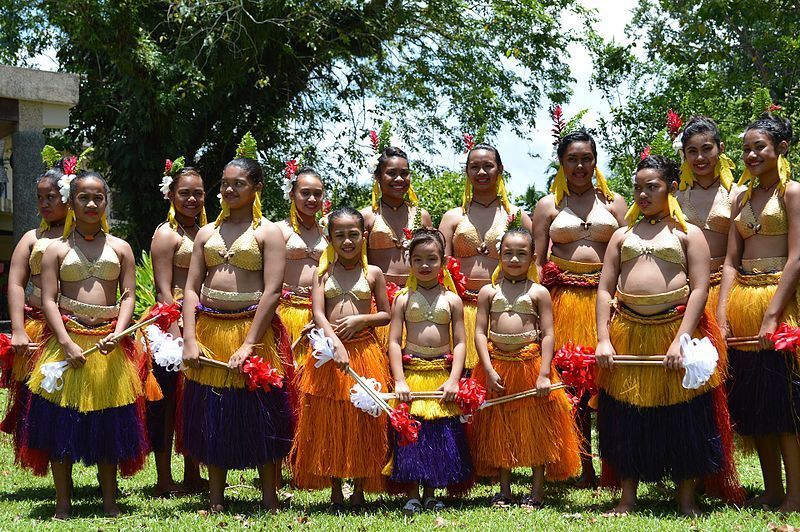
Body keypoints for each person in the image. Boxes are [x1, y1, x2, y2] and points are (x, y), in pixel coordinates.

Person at [595, 155, 741, 516]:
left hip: (675, 330)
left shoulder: (688, 234)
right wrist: (603, 338)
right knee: (628, 415)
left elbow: (699, 289)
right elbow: (603, 289)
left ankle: (687, 498)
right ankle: (627, 498)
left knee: (684, 416)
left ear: (672, 188)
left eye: (652, 187)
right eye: (638, 188)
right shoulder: (621, 235)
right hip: (628, 332)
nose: (643, 194)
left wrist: (683, 338)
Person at [21, 170, 148, 518]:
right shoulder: (56, 249)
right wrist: (65, 342)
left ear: (106, 202)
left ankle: (110, 502)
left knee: (109, 424)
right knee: (61, 423)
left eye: (98, 197)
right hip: (67, 342)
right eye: (83, 197)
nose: (91, 203)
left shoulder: (120, 247)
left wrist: (119, 333)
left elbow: (129, 295)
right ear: (71, 202)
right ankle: (63, 503)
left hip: (108, 343)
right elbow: (48, 300)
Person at [181, 139, 293, 512]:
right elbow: (191, 288)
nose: (229, 190)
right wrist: (190, 338)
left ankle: (269, 497)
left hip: (253, 330)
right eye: (225, 183)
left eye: (238, 184)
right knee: (214, 412)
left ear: (256, 188)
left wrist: (249, 344)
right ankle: (215, 498)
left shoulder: (268, 232)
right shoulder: (205, 233)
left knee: (259, 410)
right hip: (211, 328)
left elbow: (273, 290)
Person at [532, 130, 627, 487]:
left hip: (608, 302)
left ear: (595, 160)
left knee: (609, 385)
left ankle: (613, 466)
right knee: (572, 387)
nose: (580, 166)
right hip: (563, 302)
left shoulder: (615, 203)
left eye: (586, 158)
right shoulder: (548, 206)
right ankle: (580, 467)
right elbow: (538, 262)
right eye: (572, 159)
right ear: (561, 163)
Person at [717, 113, 800, 512]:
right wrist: (722, 313)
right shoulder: (741, 198)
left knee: (784, 404)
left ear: (781, 149)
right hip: (742, 300)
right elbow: (731, 262)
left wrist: (772, 316)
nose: (750, 154)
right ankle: (770, 490)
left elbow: (798, 259)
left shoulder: (793, 194)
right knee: (756, 402)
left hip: (780, 303)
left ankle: (795, 495)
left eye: (759, 147)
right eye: (746, 148)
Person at [291, 207, 391, 513]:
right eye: (340, 235)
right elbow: (319, 313)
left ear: (364, 236)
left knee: (361, 416)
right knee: (329, 417)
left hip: (364, 352)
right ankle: (335, 488)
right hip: (328, 355)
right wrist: (334, 342)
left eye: (353, 235)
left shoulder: (373, 273)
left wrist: (361, 320)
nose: (347, 241)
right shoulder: (322, 273)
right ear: (329, 238)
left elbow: (386, 314)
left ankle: (359, 488)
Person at [471, 227, 580, 507]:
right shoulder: (488, 292)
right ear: (499, 255)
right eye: (508, 253)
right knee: (501, 426)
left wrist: (544, 372)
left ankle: (536, 491)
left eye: (521, 254)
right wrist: (488, 368)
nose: (514, 259)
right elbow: (480, 333)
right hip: (497, 366)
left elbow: (548, 334)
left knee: (537, 428)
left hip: (531, 365)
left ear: (532, 257)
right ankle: (505, 490)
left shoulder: (539, 292)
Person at [387, 229, 472, 515]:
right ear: (409, 261)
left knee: (438, 434)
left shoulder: (453, 300)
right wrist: (399, 379)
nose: (425, 265)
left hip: (440, 373)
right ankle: (412, 493)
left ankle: (433, 491)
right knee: (412, 433)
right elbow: (394, 342)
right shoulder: (402, 298)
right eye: (418, 259)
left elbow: (460, 343)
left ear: (444, 262)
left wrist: (453, 379)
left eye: (431, 259)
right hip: (412, 373)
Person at [439, 144, 532, 370]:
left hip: (503, 309)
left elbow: (534, 266)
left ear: (499, 169)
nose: (481, 172)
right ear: (467, 172)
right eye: (474, 167)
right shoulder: (452, 217)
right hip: (460, 309)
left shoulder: (517, 217)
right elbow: (439, 267)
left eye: (488, 166)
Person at [2, 152, 68, 459]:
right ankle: (52, 460)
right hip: (39, 328)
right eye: (40, 198)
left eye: (51, 197)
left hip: (80, 328)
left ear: (67, 196)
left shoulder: (85, 237)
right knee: (41, 399)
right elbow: (15, 283)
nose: (44, 204)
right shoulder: (32, 238)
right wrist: (17, 329)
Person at [148, 158, 207, 496]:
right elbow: (163, 289)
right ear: (170, 194)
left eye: (197, 194)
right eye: (184, 193)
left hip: (203, 320)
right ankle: (163, 477)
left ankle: (192, 471)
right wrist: (178, 330)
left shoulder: (206, 232)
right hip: (172, 325)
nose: (191, 200)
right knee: (167, 404)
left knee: (194, 400)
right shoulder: (166, 234)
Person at [675, 116, 738, 314]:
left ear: (721, 148)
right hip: (685, 292)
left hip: (729, 290)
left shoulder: (737, 194)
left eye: (707, 149)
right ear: (684, 154)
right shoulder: (674, 199)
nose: (700, 158)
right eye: (692, 151)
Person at [276, 166, 327, 364]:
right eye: (305, 193)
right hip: (284, 312)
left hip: (320, 313)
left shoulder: (328, 232)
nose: (312, 199)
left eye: (317, 194)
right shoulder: (278, 230)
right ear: (292, 194)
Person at [361, 147, 432, 288]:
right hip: (378, 297)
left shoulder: (421, 215)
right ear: (378, 177)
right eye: (391, 173)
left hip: (416, 294)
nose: (399, 179)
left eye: (404, 173)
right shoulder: (366, 216)